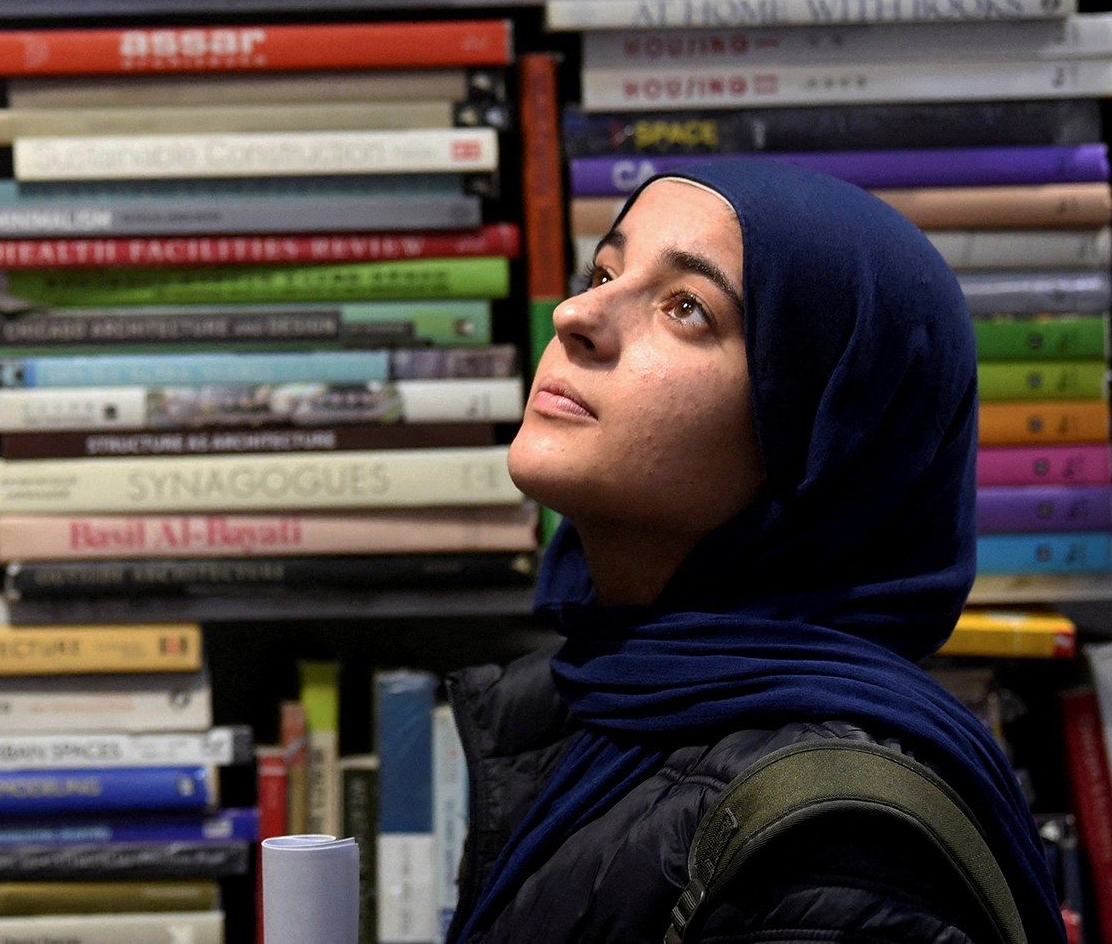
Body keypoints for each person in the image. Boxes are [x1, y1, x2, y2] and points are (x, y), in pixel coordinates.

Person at [443, 159, 1066, 944]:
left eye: (685, 307)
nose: (575, 314)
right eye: (603, 269)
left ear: (824, 444)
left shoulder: (835, 849)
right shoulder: (600, 699)